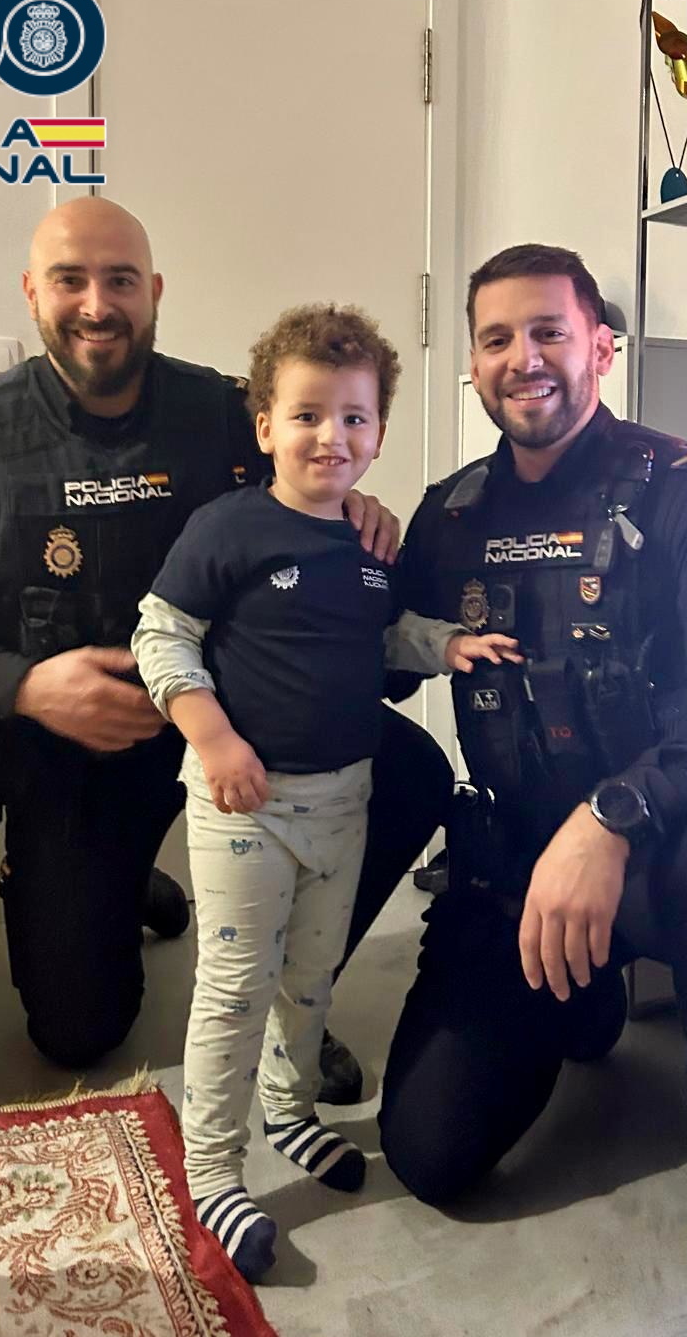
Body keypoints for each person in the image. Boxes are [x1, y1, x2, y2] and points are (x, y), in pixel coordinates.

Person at [0, 197, 452, 1092]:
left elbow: (320, 462)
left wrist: (350, 511)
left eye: (121, 281)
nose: (96, 304)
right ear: (31, 292)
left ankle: (294, 999)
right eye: (70, 279)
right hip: (80, 747)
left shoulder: (225, 412)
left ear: (155, 292)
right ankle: (119, 884)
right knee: (78, 1033)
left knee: (409, 771)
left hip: (243, 727)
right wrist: (26, 687)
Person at [377, 243, 687, 1298]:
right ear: (473, 365)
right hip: (522, 865)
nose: (523, 358)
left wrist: (612, 815)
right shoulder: (449, 517)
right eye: (496, 339)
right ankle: (577, 992)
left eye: (548, 331)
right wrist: (325, 532)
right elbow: (374, 651)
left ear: (600, 346)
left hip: (676, 849)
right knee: (429, 1152)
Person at [131, 303, 518, 1282]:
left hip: (342, 802)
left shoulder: (370, 547)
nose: (330, 437)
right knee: (234, 988)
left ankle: (288, 1107)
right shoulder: (228, 528)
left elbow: (383, 640)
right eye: (306, 415)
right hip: (244, 806)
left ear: (379, 431)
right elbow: (161, 634)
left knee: (308, 978)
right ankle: (211, 1168)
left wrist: (448, 644)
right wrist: (213, 737)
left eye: (353, 418)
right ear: (265, 426)